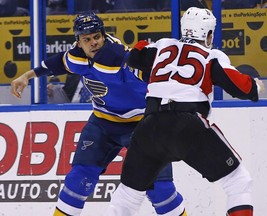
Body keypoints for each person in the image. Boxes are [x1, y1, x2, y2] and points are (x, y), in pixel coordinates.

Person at [10, 12, 187, 216]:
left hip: (143, 125)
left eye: (97, 37)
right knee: (78, 179)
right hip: (103, 124)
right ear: (78, 42)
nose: (94, 43)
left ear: (103, 35)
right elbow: (58, 62)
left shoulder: (120, 57)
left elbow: (153, 74)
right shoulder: (76, 56)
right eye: (87, 39)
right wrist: (27, 76)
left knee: (160, 190)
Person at [104, 7, 265, 216]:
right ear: (208, 34)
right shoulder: (211, 55)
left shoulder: (162, 46)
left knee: (127, 197)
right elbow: (243, 88)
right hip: (187, 124)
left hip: (149, 127)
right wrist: (255, 87)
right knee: (238, 182)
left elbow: (135, 56)